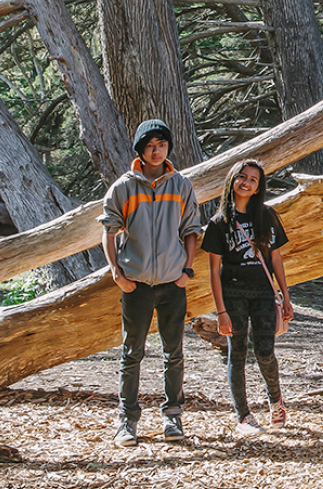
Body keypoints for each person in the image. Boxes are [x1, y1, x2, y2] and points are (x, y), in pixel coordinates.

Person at [99, 119, 204, 447]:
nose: (157, 150)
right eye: (150, 145)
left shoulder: (182, 185)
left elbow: (191, 230)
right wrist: (117, 273)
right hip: (137, 284)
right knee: (132, 353)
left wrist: (186, 271)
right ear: (141, 151)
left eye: (162, 144)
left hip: (173, 283)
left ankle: (173, 417)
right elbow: (108, 230)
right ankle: (126, 421)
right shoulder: (124, 187)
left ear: (168, 148)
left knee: (174, 352)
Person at [202, 159, 291, 437]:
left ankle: (276, 401)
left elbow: (275, 258)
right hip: (233, 293)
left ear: (257, 188)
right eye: (242, 177)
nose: (247, 182)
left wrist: (285, 296)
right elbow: (214, 270)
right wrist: (221, 312)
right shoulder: (219, 223)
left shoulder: (267, 216)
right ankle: (244, 415)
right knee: (237, 353)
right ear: (232, 180)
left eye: (253, 179)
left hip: (263, 292)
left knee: (265, 351)